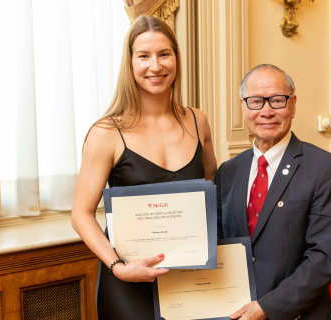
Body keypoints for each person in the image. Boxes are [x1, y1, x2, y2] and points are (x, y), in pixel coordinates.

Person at [71, 16, 217, 320]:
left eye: (164, 54)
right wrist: (118, 267)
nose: (156, 66)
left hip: (188, 277)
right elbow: (81, 214)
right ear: (130, 62)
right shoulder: (106, 132)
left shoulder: (197, 120)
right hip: (129, 280)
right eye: (144, 56)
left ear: (176, 57)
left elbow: (211, 185)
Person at [215, 64, 331, 320]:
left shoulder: (324, 168)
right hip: (237, 312)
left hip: (298, 313)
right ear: (243, 107)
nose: (266, 111)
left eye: (277, 100)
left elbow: (323, 258)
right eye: (255, 102)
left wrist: (267, 308)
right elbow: (220, 246)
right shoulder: (228, 171)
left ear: (293, 105)